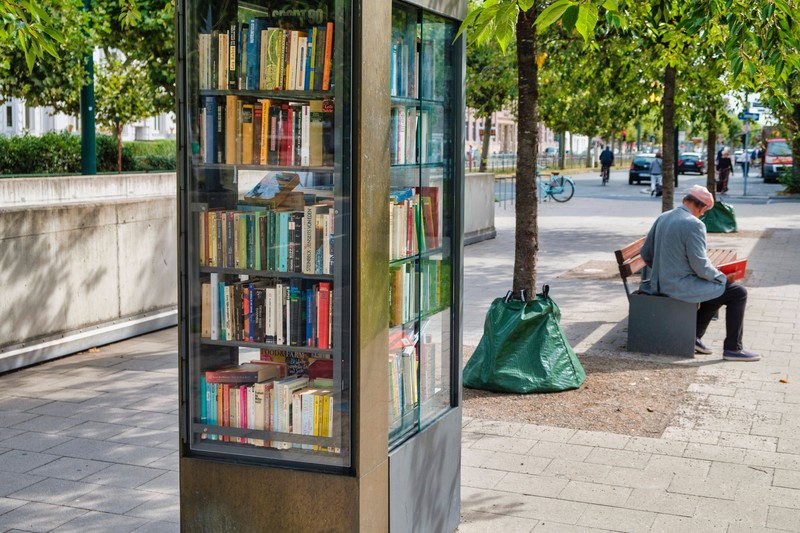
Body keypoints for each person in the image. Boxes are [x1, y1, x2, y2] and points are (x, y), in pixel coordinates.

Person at [639, 185, 760, 361]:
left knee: (718, 290)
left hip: (658, 282)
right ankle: (733, 349)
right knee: (737, 292)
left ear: (685, 200)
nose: (702, 215)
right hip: (676, 286)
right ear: (702, 208)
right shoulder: (694, 224)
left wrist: (665, 267)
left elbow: (646, 254)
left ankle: (693, 335)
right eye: (703, 211)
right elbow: (700, 265)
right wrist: (720, 276)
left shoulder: (663, 217)